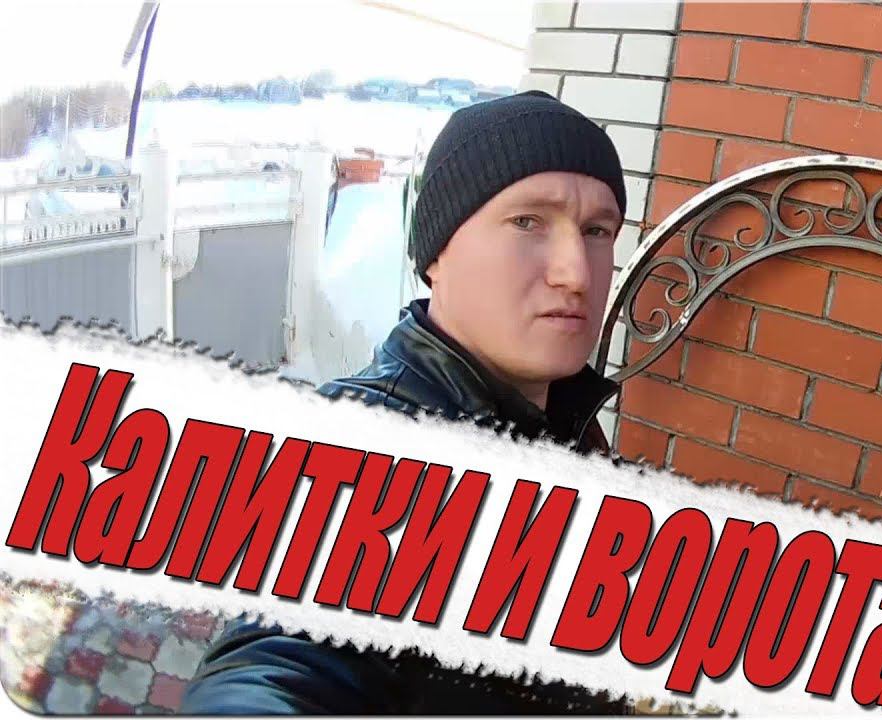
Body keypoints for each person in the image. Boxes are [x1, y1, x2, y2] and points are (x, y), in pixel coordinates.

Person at [180, 90, 633, 714]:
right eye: (528, 222)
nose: (576, 273)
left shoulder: (559, 420)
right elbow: (278, 662)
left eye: (597, 231)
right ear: (437, 254)